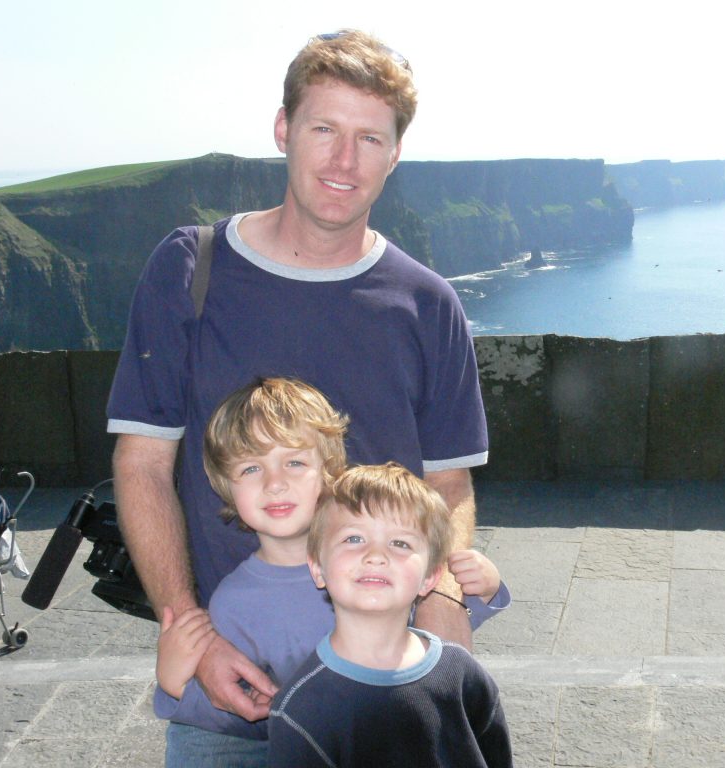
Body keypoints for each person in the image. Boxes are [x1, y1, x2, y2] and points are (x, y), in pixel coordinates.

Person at [106, 26, 488, 742]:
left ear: (396, 153)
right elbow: (143, 462)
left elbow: (449, 484)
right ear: (284, 129)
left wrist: (442, 597)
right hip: (228, 691)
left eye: (371, 138)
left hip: (386, 694)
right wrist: (190, 632)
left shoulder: (428, 302)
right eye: (324, 128)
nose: (345, 160)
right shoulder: (190, 270)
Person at [154, 378, 508, 766]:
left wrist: (479, 588)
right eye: (252, 467)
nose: (275, 483)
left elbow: (423, 634)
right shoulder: (234, 601)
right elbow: (232, 703)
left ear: (327, 470)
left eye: (294, 462)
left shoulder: (365, 561)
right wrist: (175, 683)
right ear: (226, 484)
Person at [268, 462, 513, 767]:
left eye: (400, 543)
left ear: (430, 577)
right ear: (318, 568)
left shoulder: (463, 675)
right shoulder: (301, 710)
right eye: (354, 539)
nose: (375, 556)